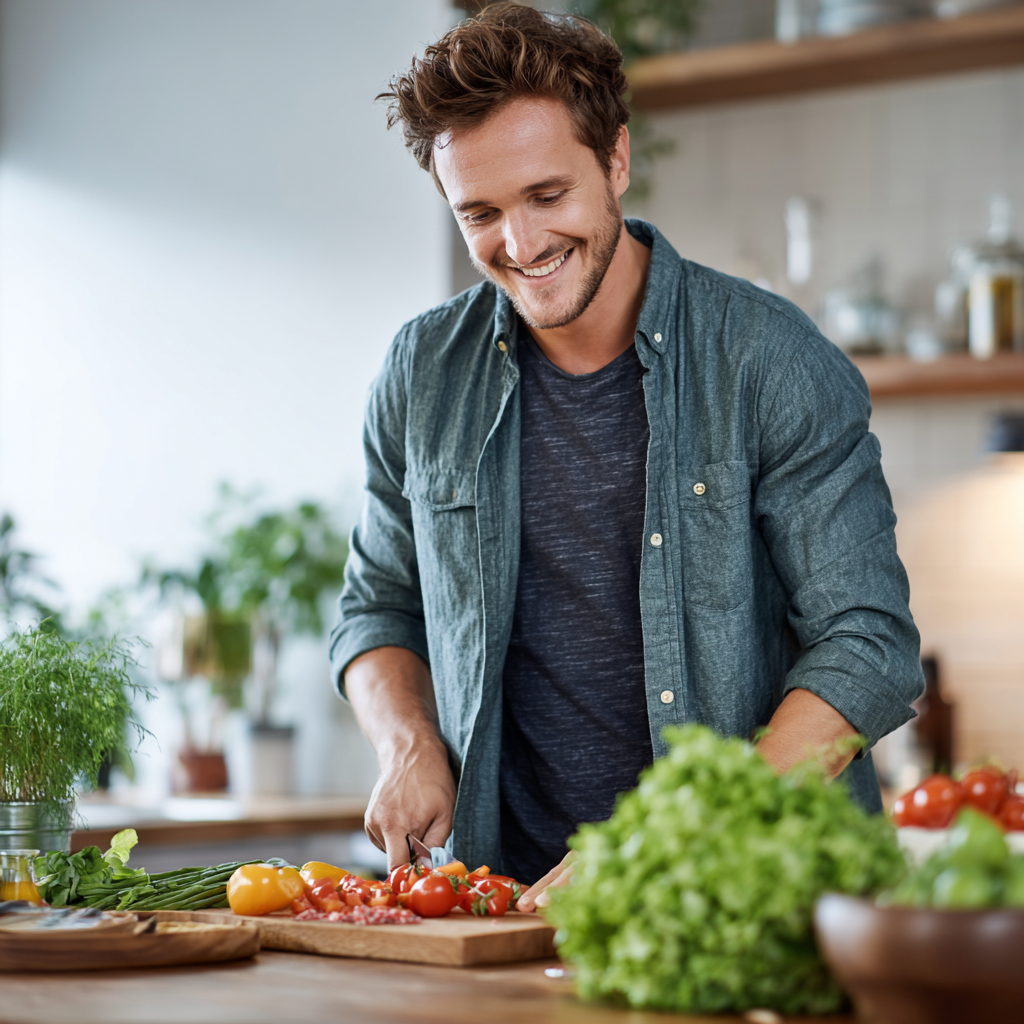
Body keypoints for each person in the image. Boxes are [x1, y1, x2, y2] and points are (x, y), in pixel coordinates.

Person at [330, 3, 922, 910]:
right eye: (480, 213)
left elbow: (869, 647)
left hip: (751, 908)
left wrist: (675, 838)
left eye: (546, 195)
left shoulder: (768, 359)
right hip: (497, 912)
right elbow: (379, 605)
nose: (521, 246)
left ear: (616, 160)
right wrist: (408, 743)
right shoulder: (422, 371)